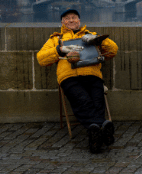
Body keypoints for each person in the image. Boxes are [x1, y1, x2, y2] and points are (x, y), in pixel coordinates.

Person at [37, 9, 118, 153]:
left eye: (74, 17)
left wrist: (99, 39)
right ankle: (103, 127)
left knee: (97, 100)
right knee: (82, 100)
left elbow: (113, 51)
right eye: (67, 18)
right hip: (69, 76)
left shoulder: (91, 35)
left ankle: (95, 135)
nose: (71, 20)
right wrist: (59, 50)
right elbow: (41, 59)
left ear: (79, 21)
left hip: (92, 74)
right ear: (62, 22)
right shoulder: (56, 39)